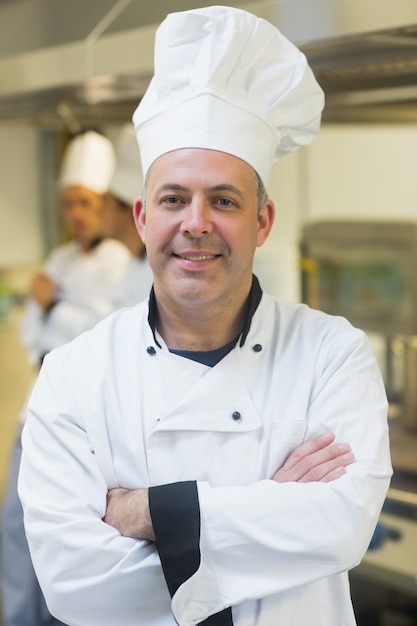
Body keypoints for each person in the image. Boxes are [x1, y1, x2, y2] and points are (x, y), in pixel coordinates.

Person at [18, 7, 392, 626]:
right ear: (142, 218)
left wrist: (146, 514)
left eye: (224, 199)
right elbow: (74, 585)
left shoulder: (332, 353)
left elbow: (343, 527)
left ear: (261, 222)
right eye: (173, 199)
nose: (196, 223)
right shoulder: (74, 376)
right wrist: (273, 512)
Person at [1, 130, 130, 626]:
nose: (77, 212)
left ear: (105, 205)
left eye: (86, 201)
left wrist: (52, 305)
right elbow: (31, 335)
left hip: (87, 428)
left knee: (72, 539)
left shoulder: (122, 263)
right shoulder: (58, 260)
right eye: (68, 203)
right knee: (16, 525)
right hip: (33, 415)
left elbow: (99, 336)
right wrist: (53, 314)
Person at [101, 123, 153, 308]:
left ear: (131, 210)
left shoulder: (157, 275)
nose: (99, 208)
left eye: (106, 201)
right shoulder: (132, 264)